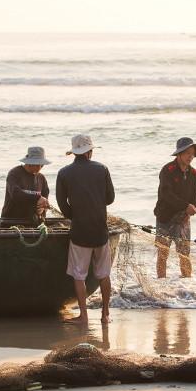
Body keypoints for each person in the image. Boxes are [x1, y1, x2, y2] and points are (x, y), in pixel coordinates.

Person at [55, 134, 115, 324]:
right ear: (89, 152)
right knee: (103, 274)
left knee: (79, 275)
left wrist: (74, 215)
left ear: (75, 152)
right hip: (100, 231)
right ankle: (105, 314)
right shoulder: (102, 169)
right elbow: (110, 198)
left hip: (79, 231)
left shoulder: (64, 173)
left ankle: (84, 316)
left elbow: (61, 203)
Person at [153, 137, 196, 278]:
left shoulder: (193, 173)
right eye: (187, 153)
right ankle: (161, 285)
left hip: (183, 220)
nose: (190, 156)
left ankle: (187, 286)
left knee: (185, 254)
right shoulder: (167, 170)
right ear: (179, 154)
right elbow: (167, 194)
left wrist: (192, 209)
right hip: (165, 218)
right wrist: (186, 206)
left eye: (192, 153)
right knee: (163, 254)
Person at [1, 146, 51, 221]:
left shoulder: (42, 179)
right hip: (11, 220)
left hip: (33, 222)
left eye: (42, 165)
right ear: (29, 163)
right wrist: (37, 198)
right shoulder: (14, 174)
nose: (40, 167)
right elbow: (15, 194)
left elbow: (45, 201)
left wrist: (42, 210)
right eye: (38, 164)